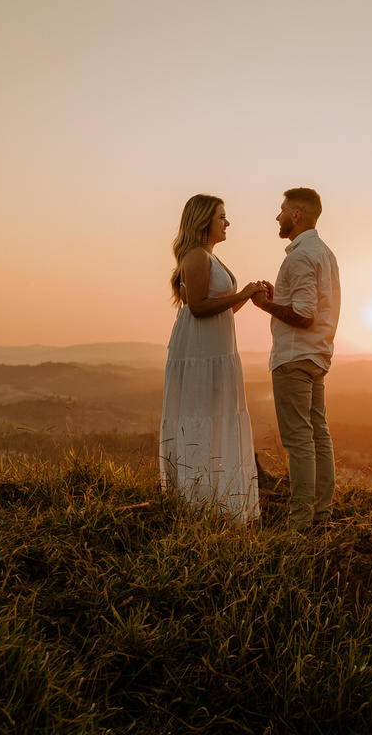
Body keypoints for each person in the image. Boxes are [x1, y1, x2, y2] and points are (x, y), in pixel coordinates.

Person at [159, 194, 266, 522]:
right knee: (200, 417)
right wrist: (243, 292)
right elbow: (198, 307)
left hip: (217, 349)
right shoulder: (195, 256)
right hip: (200, 352)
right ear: (205, 221)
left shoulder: (210, 257)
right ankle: (196, 500)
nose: (227, 222)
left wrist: (245, 297)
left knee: (217, 415)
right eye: (222, 216)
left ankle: (219, 500)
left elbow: (221, 309)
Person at [252, 187, 341, 531]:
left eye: (282, 210)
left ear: (297, 215)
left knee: (299, 440)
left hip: (294, 358)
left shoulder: (300, 256)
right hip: (317, 356)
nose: (278, 216)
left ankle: (300, 522)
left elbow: (304, 314)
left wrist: (264, 305)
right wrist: (280, 298)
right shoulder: (325, 253)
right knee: (319, 435)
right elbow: (310, 305)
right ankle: (322, 514)